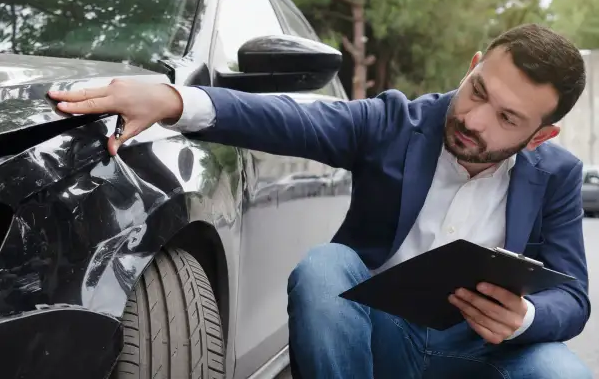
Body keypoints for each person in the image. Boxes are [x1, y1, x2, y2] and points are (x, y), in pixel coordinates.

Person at [48, 23, 592, 378]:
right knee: (326, 266)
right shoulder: (396, 123)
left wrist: (524, 318)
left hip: (477, 353)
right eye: (478, 90)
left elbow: (573, 296)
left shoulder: (557, 176)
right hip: (380, 340)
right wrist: (172, 99)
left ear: (540, 136)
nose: (474, 119)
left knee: (561, 372)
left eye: (507, 119)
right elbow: (291, 118)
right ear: (472, 65)